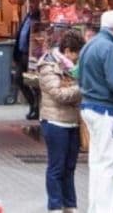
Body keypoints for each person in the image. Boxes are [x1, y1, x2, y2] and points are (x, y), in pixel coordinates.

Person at [78, 9, 113, 213]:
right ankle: (105, 209)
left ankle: (95, 207)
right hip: (106, 110)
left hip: (89, 106)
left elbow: (79, 77)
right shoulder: (110, 48)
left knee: (97, 161)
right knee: (110, 163)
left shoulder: (90, 45)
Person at [37, 29, 83, 213]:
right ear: (67, 51)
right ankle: (55, 205)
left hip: (72, 121)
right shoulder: (49, 66)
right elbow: (58, 94)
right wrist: (81, 88)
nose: (77, 59)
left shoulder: (70, 68)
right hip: (55, 122)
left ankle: (70, 204)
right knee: (57, 166)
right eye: (76, 55)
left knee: (70, 167)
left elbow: (67, 92)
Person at [13, 0, 41, 121]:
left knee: (34, 83)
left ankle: (36, 108)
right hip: (22, 54)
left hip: (33, 55)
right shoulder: (27, 17)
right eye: (31, 3)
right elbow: (21, 35)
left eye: (34, 3)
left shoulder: (38, 18)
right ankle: (32, 104)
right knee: (19, 79)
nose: (31, 5)